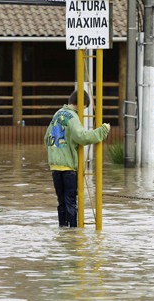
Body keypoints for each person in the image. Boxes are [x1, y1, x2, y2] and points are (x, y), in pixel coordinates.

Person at [44, 89, 110, 228]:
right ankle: (73, 233)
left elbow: (46, 139)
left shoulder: (57, 114)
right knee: (71, 202)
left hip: (55, 166)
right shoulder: (72, 117)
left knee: (61, 201)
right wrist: (103, 130)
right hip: (68, 167)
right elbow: (83, 137)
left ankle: (63, 229)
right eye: (85, 109)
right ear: (82, 104)